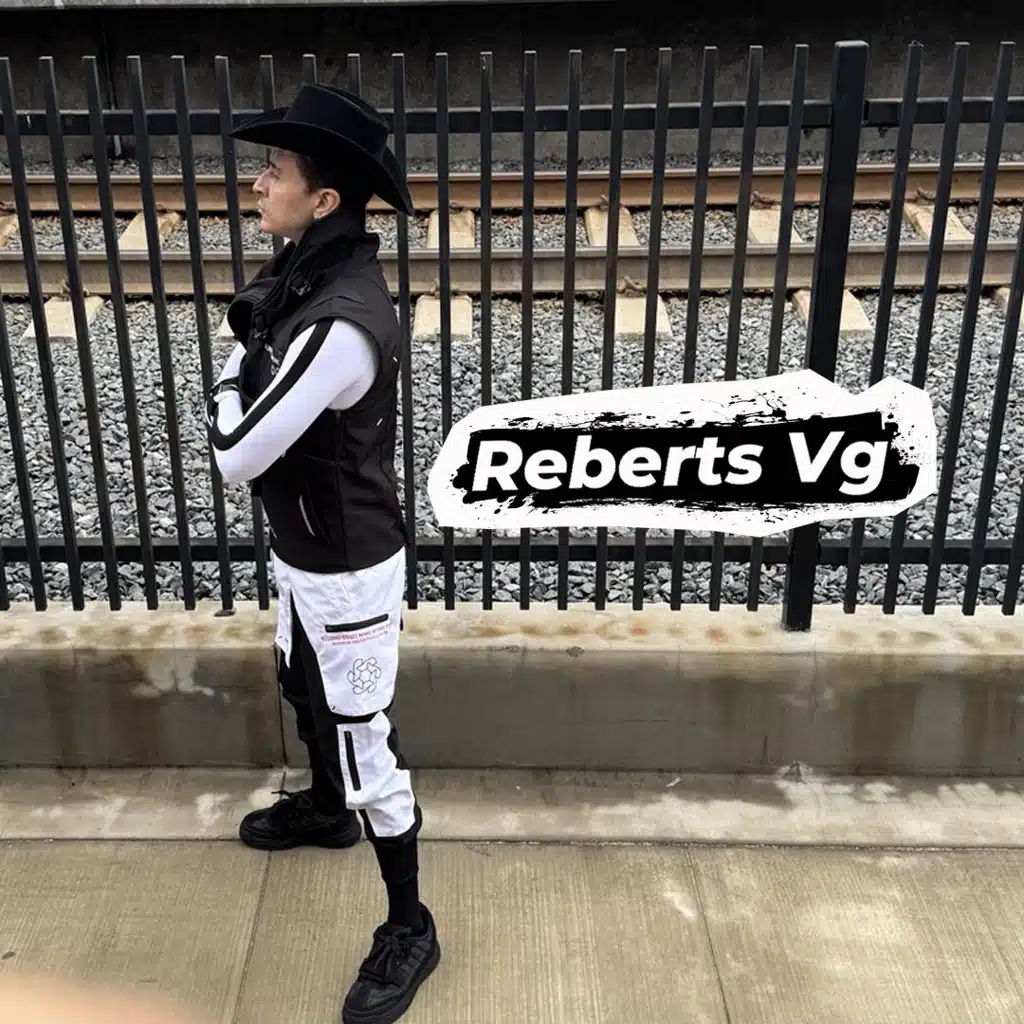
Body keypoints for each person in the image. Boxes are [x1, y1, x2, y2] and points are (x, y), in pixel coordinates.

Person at [204, 83, 438, 1024]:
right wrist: (245, 352)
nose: (257, 184)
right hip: (304, 546)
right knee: (300, 683)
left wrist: (225, 378)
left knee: (364, 739)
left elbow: (235, 452)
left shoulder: (341, 322)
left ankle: (410, 926)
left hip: (346, 567)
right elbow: (257, 331)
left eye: (275, 172)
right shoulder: (308, 265)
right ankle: (327, 811)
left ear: (325, 198)